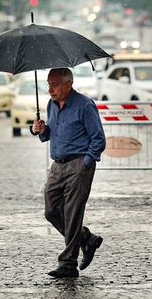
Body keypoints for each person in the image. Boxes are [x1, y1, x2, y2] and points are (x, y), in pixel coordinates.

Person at [32, 68, 106, 278]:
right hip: (57, 165)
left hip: (78, 165)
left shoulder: (84, 105)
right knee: (51, 210)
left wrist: (86, 162)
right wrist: (41, 130)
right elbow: (51, 134)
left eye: (54, 85)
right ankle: (86, 239)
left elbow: (98, 139)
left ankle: (68, 264)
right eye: (48, 84)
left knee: (72, 214)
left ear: (68, 84)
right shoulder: (51, 105)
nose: (49, 90)